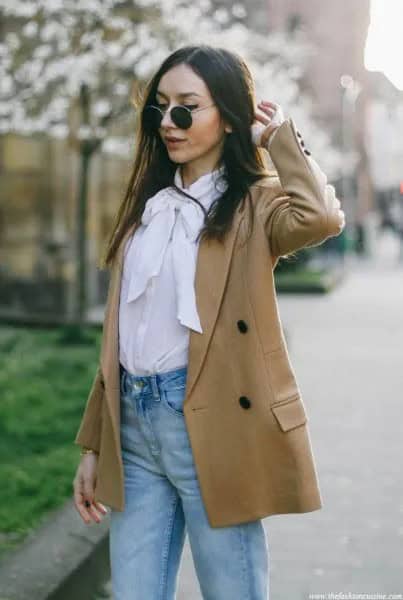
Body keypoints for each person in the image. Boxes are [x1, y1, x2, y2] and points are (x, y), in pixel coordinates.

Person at [72, 45, 345, 599]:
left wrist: (279, 140)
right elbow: (124, 337)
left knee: (232, 590)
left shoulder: (255, 205)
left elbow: (320, 217)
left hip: (214, 419)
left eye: (186, 108)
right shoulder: (148, 209)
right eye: (161, 108)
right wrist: (95, 446)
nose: (168, 123)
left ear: (226, 116)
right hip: (134, 422)